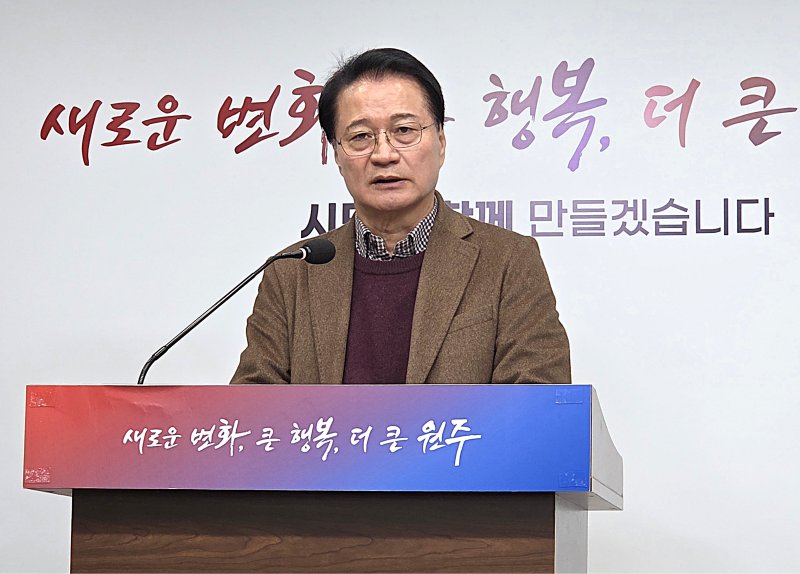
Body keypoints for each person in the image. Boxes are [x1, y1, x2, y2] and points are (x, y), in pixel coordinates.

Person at [231, 48, 570, 386]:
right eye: (360, 136)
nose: (384, 154)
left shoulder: (508, 261)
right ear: (336, 154)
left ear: (440, 142)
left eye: (404, 130)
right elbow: (251, 407)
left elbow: (537, 400)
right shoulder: (291, 273)